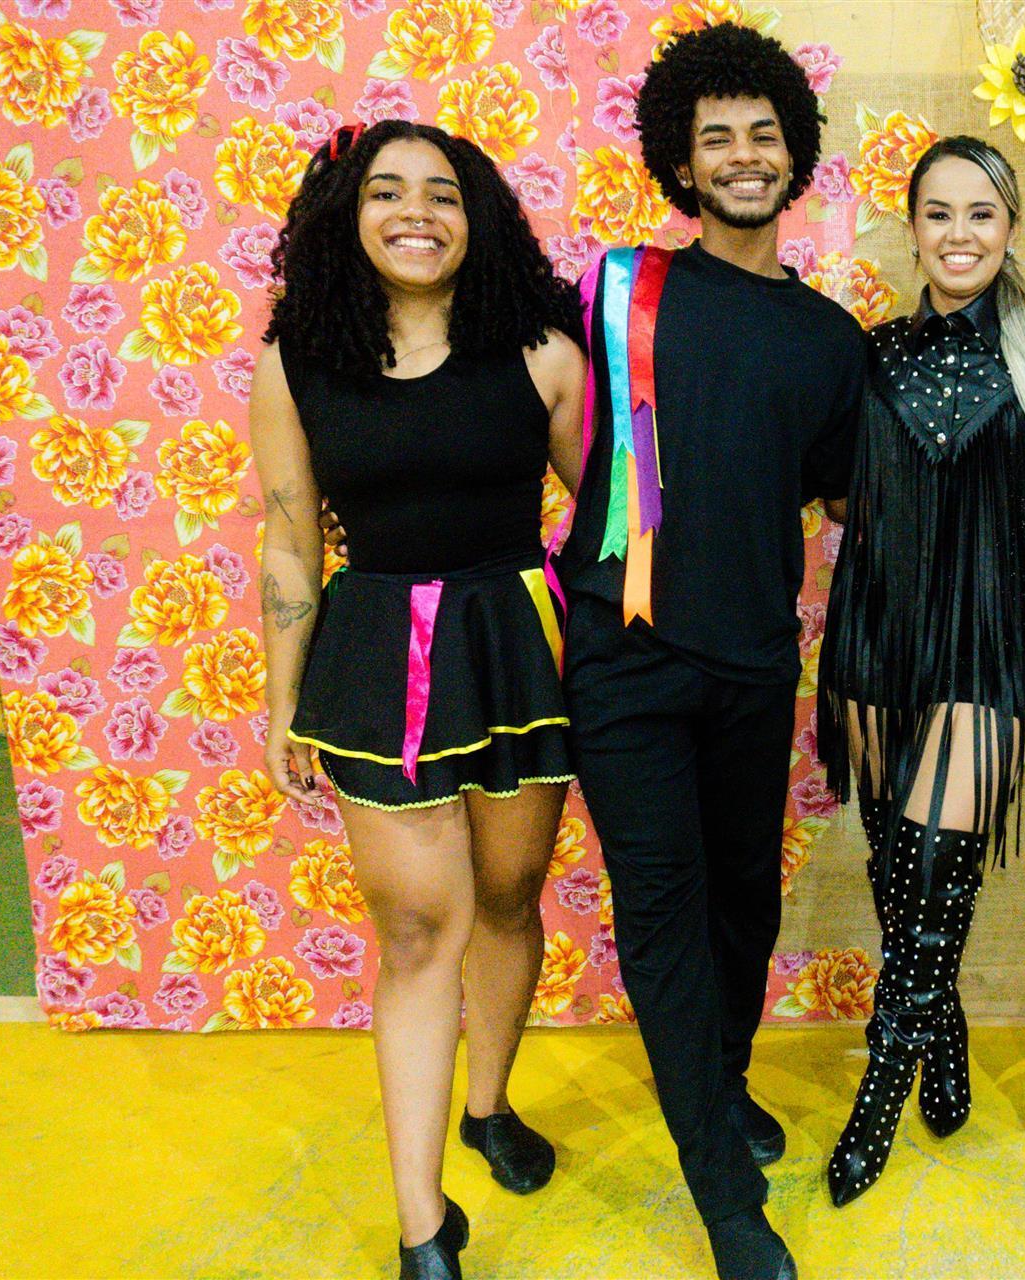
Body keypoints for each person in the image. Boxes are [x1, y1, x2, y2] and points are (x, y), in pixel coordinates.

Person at [551, 24, 865, 1280]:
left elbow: (842, 498)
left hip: (752, 660)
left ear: (795, 157)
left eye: (763, 135)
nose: (742, 155)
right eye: (715, 137)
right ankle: (727, 1197)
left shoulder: (830, 338)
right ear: (680, 163)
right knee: (666, 910)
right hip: (620, 658)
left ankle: (720, 1078)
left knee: (746, 897)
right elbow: (537, 404)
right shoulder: (615, 287)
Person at [251, 120, 588, 1280]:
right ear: (348, 215)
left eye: (441, 193)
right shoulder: (297, 358)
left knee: (506, 895)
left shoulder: (543, 352)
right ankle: (421, 1226)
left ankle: (488, 1106)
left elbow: (613, 521)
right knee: (414, 932)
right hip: (373, 658)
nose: (416, 212)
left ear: (474, 215)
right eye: (386, 191)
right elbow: (290, 540)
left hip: (513, 650)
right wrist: (282, 700)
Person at [816, 135, 1025, 1208]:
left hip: (994, 639)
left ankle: (880, 1090)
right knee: (898, 876)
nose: (959, 234)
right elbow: (840, 493)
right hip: (877, 634)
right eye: (939, 213)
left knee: (934, 867)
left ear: (1010, 227)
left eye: (982, 213)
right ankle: (948, 1029)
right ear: (912, 226)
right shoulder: (867, 353)